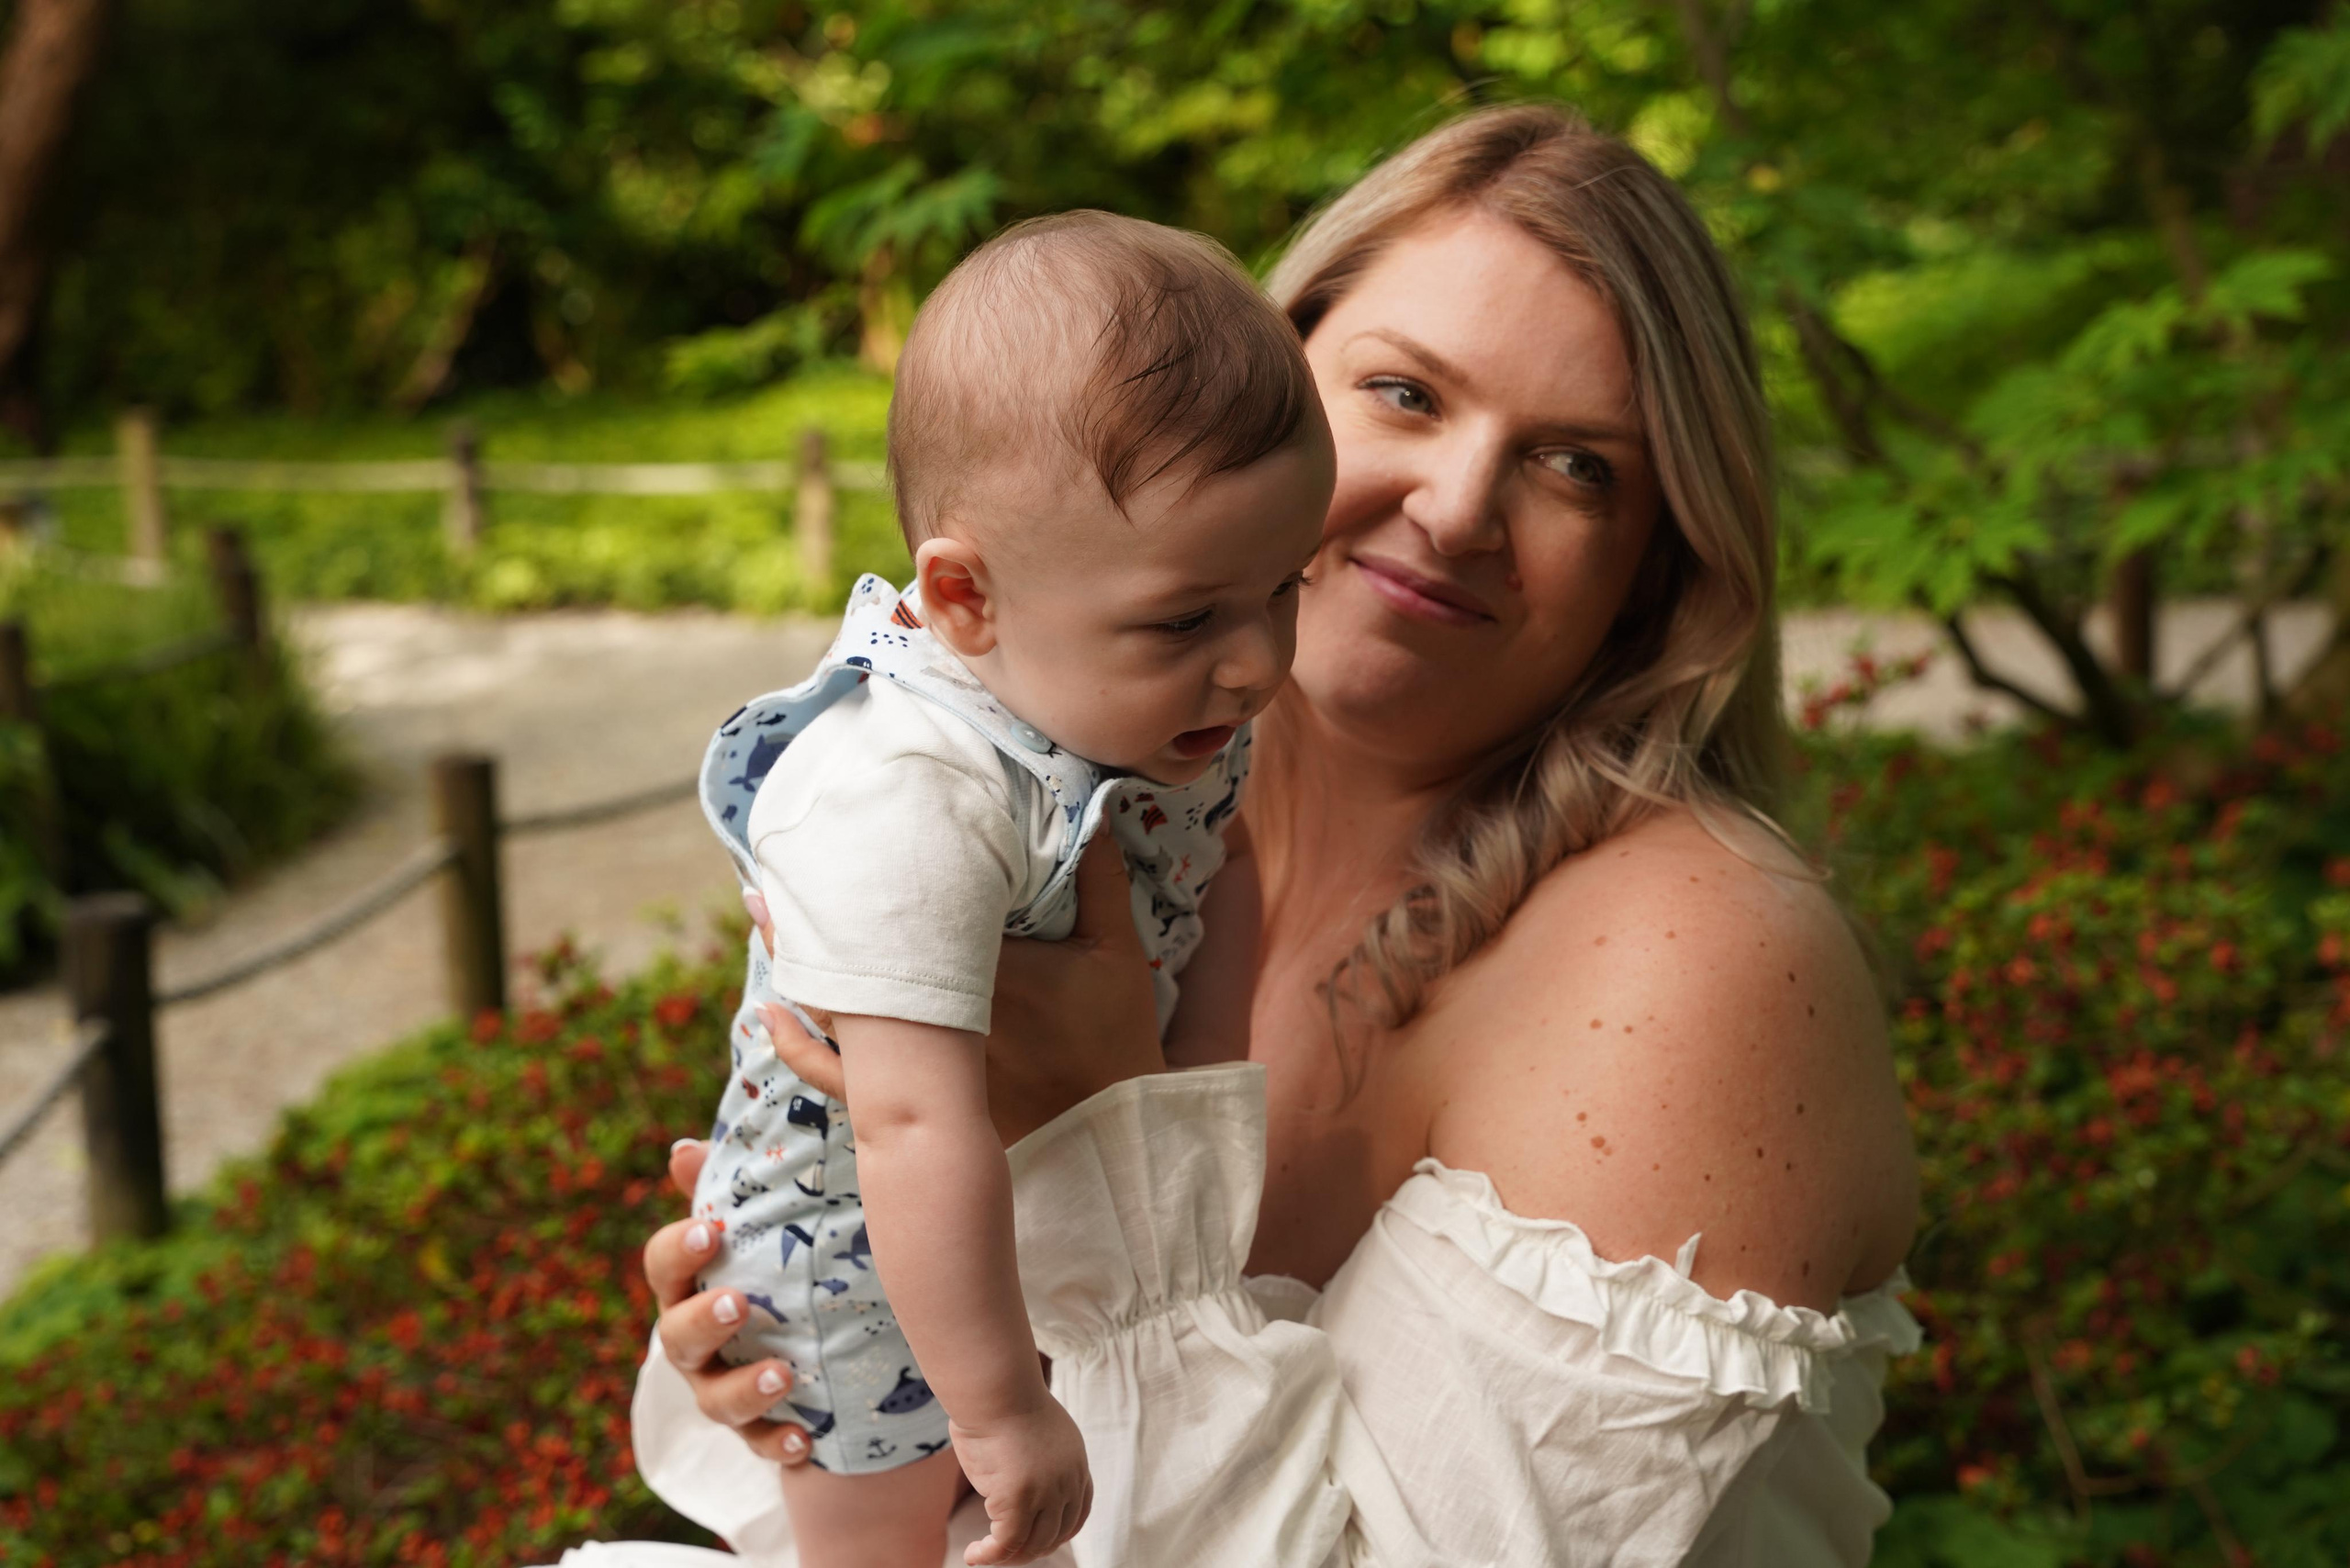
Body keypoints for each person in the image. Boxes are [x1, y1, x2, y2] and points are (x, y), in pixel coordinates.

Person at [569, 101, 1922, 1568]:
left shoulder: (1697, 969)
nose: (1456, 508)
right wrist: (809, 1353)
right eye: (1405, 394)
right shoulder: (1099, 819)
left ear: (1658, 564)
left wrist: (1103, 1142)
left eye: (1577, 465)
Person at [678, 212, 1332, 1568]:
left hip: (1035, 1188)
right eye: (1189, 617)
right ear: (966, 601)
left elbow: (1232, 855)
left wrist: (1182, 1091)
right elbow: (908, 1128)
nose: (1258, 661)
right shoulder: (910, 798)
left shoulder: (1161, 701)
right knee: (888, 1540)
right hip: (854, 1235)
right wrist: (997, 1409)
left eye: (1287, 588)